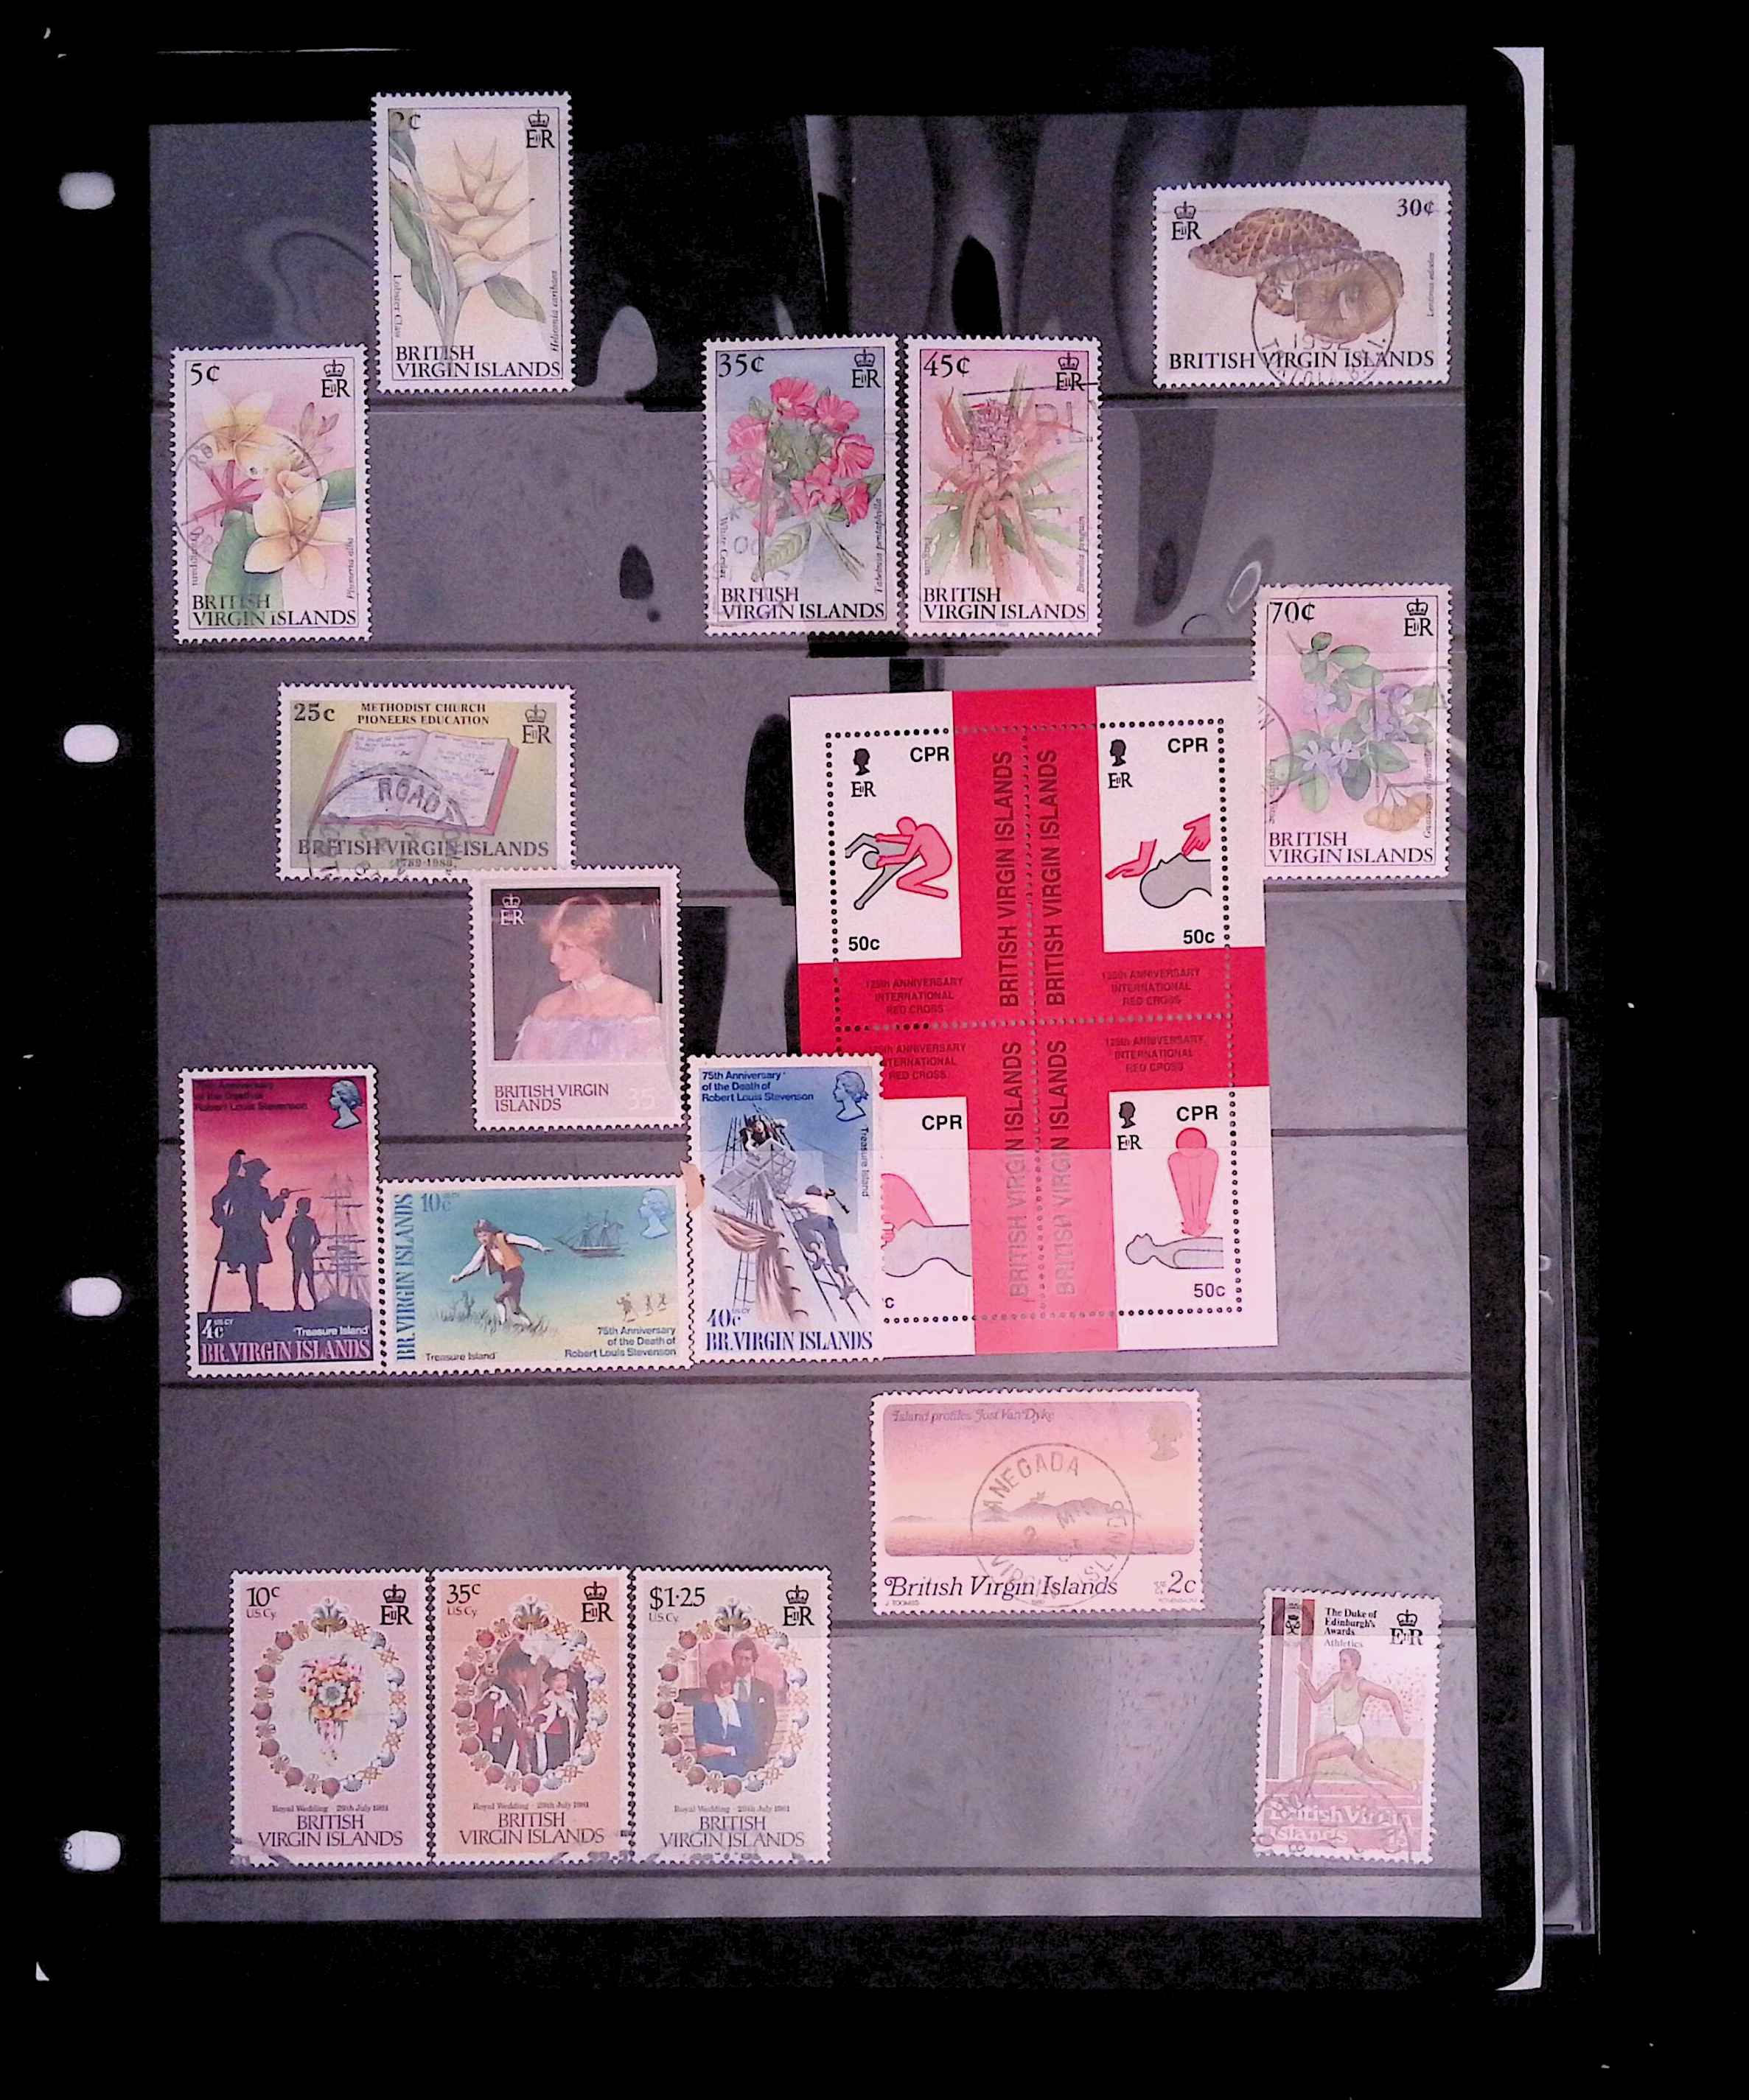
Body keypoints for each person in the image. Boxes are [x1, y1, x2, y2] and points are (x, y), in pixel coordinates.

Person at [511, 892, 661, 1065]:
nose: (553, 958)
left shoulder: (634, 1003)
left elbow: (648, 1077)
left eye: (565, 947)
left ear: (594, 947)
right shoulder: (547, 1009)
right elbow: (527, 1077)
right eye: (552, 947)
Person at [1268, 1645, 1411, 1806]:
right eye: (1340, 1661)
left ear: (1354, 1664)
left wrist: (1402, 1724)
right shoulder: (1336, 1679)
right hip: (1341, 1733)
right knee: (1373, 1770)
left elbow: (1392, 1696)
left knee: (1312, 1754)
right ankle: (1410, 1786)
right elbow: (1317, 1698)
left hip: (1351, 1736)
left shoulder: (1363, 1685)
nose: (1341, 1665)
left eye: (1344, 1661)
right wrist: (1306, 1680)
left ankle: (1300, 1798)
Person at [209, 1152, 290, 1312]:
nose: (260, 1177)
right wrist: (220, 1218)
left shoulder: (261, 1192)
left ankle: (254, 1302)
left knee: (253, 1268)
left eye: (261, 1174)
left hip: (253, 1232)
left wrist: (280, 1199)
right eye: (259, 1173)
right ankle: (252, 1299)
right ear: (250, 1172)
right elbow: (218, 1200)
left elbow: (271, 1215)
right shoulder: (236, 1184)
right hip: (237, 1231)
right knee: (247, 1265)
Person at [451, 1217, 551, 1327]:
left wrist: (539, 1247)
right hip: (506, 1276)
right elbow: (474, 1264)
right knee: (515, 1308)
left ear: (491, 1233)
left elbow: (522, 1240)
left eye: (485, 1235)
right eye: (479, 1237)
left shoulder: (503, 1238)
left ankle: (503, 1323)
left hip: (516, 1274)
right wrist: (460, 1276)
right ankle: (530, 1325)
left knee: (498, 1296)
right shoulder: (485, 1249)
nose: (482, 1239)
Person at [781, 1184, 856, 1296]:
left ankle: (818, 1254)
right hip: (830, 1223)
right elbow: (825, 1193)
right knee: (835, 1252)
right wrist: (829, 1193)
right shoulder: (822, 1199)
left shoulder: (806, 1198)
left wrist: (784, 1198)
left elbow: (790, 1205)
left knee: (799, 1225)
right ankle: (846, 1281)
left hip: (816, 1220)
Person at [691, 1659, 757, 1777]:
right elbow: (703, 1749)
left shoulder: (743, 1709)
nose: (721, 1687)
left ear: (732, 1682)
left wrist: (725, 1750)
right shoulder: (702, 1709)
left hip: (739, 1769)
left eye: (725, 1682)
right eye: (716, 1683)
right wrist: (733, 1749)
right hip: (710, 1770)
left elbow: (751, 1745)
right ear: (710, 1684)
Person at [729, 1637, 778, 1767]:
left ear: (753, 1661)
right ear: (733, 1658)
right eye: (739, 1658)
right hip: (730, 1751)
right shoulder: (724, 1685)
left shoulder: (765, 1689)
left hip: (757, 1752)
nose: (742, 1663)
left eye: (747, 1659)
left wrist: (765, 1745)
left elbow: (771, 1719)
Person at [286, 1196, 322, 1310]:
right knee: (299, 1278)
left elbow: (317, 1238)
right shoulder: (297, 1221)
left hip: (304, 1252)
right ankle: (298, 1303)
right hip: (301, 1252)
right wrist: (294, 1249)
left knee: (307, 1278)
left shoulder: (308, 1222)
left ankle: (315, 1302)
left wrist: (311, 1248)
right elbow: (289, 1237)